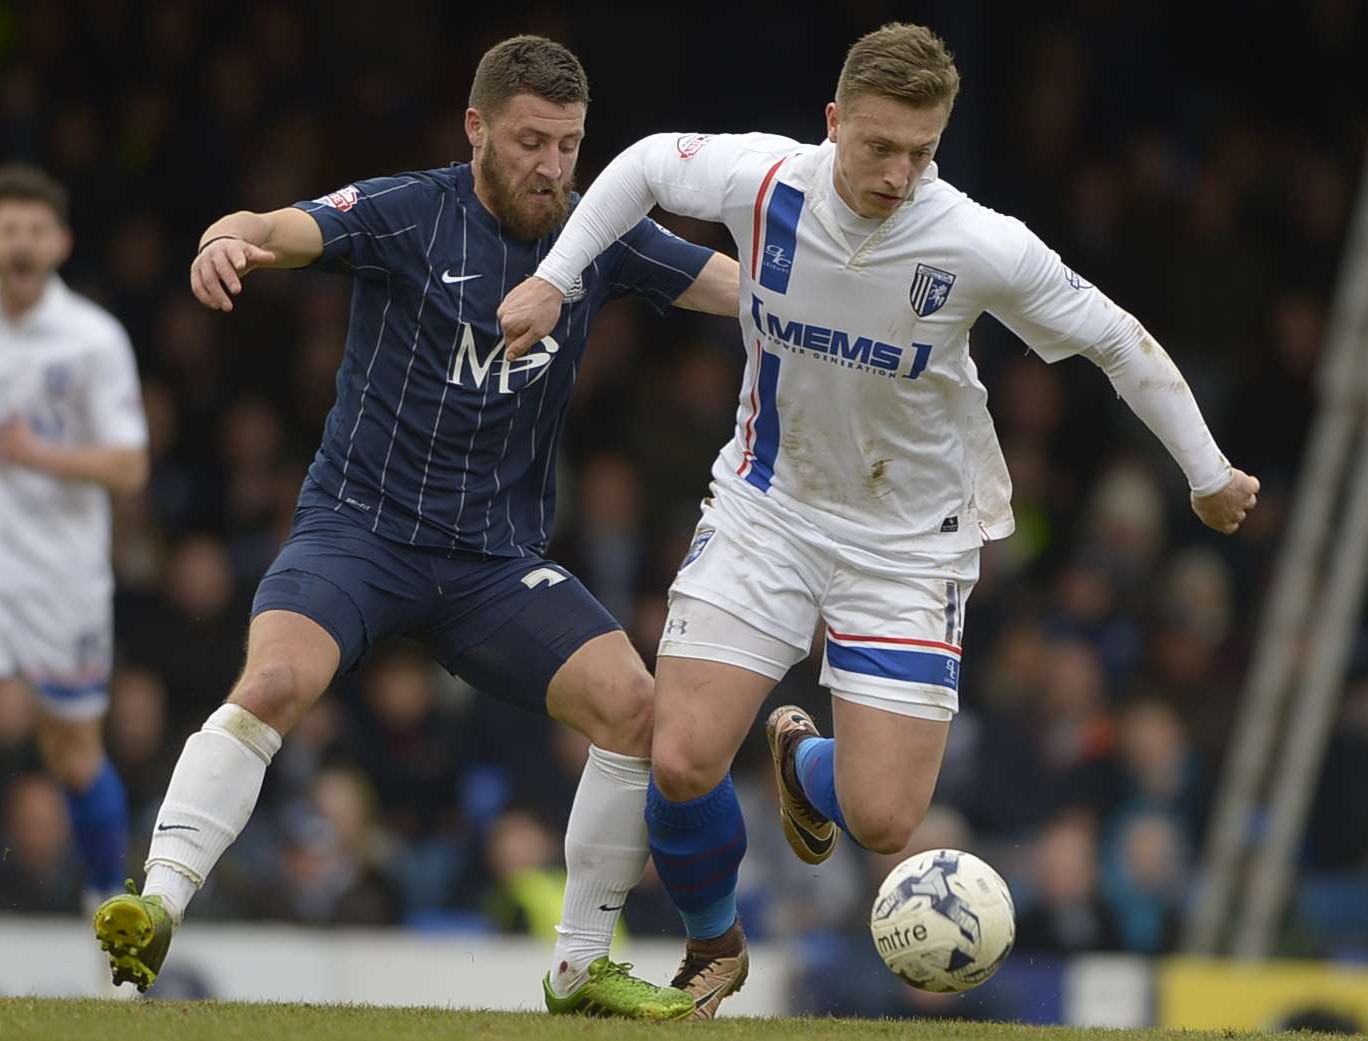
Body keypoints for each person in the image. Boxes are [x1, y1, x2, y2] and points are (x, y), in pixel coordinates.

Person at [498, 21, 1260, 1017]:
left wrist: (1204, 473)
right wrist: (557, 276)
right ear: (832, 123)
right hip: (767, 506)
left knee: (885, 818)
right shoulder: (764, 183)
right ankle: (712, 944)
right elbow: (641, 167)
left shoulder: (974, 241)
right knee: (680, 753)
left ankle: (805, 765)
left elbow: (1115, 338)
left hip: (907, 545)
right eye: (878, 146)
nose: (898, 172)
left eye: (920, 150)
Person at [92, 35, 738, 1021]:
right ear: (476, 127)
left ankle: (576, 969)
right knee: (271, 682)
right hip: (361, 532)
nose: (551, 167)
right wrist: (226, 239)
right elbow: (273, 225)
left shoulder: (591, 233)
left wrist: (825, 306)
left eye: (568, 145)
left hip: (491, 566)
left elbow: (732, 290)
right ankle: (156, 906)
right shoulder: (408, 213)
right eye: (530, 141)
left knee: (636, 709)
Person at [0, 164, 149, 994]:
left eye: (38, 229)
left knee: (72, 753)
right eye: (9, 229)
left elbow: (130, 465)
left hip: (65, 580)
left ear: (60, 242)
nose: (23, 243)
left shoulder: (93, 338)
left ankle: (108, 907)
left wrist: (41, 456)